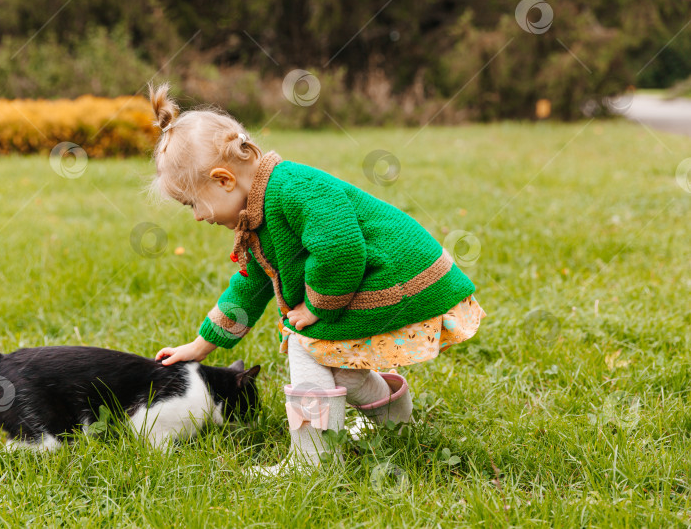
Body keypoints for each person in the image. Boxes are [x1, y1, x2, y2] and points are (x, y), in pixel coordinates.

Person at [148, 82, 487, 475]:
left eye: (193, 203)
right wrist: (201, 345)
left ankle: (313, 460)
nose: (198, 216)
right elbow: (250, 284)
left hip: (393, 275)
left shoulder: (294, 188)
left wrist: (315, 306)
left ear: (224, 180)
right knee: (331, 356)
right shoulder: (258, 213)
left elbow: (341, 250)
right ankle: (391, 410)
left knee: (305, 342)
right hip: (364, 277)